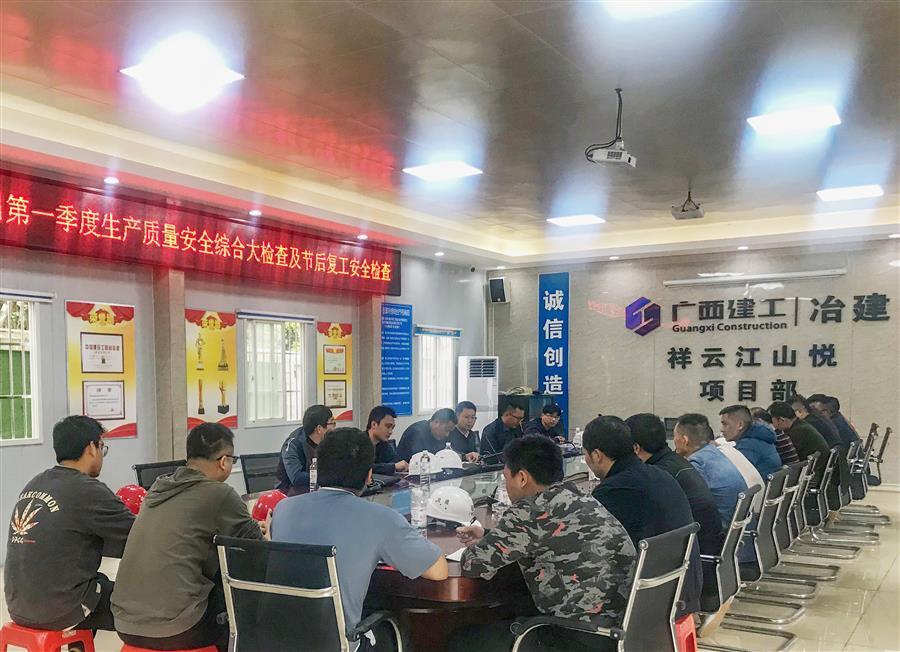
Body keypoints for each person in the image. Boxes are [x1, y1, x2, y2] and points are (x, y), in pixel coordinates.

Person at [450, 435, 635, 652]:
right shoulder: (579, 496)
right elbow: (549, 537)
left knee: (460, 641)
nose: (506, 485)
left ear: (522, 478)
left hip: (574, 636)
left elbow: (472, 564)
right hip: (620, 630)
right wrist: (490, 535)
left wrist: (483, 545)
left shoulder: (530, 510)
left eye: (506, 477)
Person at [272, 427, 448, 649]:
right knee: (403, 632)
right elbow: (438, 571)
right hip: (337, 644)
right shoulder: (380, 518)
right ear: (368, 475)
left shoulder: (283, 509)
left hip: (274, 639)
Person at [112, 423, 264, 652]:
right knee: (245, 605)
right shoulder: (219, 493)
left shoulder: (157, 489)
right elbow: (258, 549)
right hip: (178, 627)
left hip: (124, 622)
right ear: (224, 461)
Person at [4, 416, 134, 633]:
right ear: (91, 448)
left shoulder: (35, 483)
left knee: (97, 583)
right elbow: (140, 535)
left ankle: (77, 645)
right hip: (57, 611)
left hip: (18, 606)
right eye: (102, 447)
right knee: (142, 602)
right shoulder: (88, 490)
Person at [584, 416, 702, 617]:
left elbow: (590, 547)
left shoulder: (614, 490)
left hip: (651, 599)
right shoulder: (659, 474)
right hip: (681, 588)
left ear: (596, 455)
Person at [626, 413, 724, 555]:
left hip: (694, 553)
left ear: (636, 448)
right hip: (705, 545)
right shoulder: (676, 462)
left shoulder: (658, 474)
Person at [673, 414, 749, 528]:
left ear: (685, 440)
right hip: (736, 525)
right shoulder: (714, 452)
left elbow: (691, 504)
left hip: (720, 529)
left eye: (675, 436)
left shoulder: (696, 464)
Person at [275, 405, 336, 494]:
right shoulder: (293, 444)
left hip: (317, 490)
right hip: (289, 492)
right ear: (319, 428)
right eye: (332, 423)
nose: (334, 428)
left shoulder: (328, 440)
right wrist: (329, 476)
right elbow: (296, 478)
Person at [769, 401, 831, 484]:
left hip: (812, 477)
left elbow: (785, 459)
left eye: (772, 422)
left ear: (781, 420)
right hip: (817, 473)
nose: (773, 426)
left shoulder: (796, 432)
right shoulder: (801, 425)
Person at [719, 405, 782, 479]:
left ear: (740, 425)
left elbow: (727, 474)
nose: (721, 429)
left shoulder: (748, 445)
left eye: (725, 424)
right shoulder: (759, 437)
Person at [366, 406, 408, 475]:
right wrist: (393, 467)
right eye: (388, 426)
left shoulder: (383, 444)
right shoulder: (358, 442)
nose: (391, 432)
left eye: (392, 428)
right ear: (374, 424)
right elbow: (364, 468)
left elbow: (396, 461)